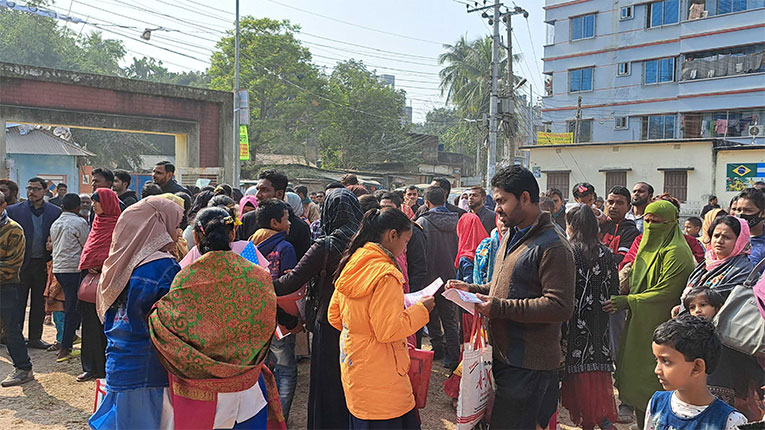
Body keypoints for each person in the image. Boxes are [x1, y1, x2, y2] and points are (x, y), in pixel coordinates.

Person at [447, 165, 576, 429]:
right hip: (506, 355)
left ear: (526, 198)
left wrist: (498, 307)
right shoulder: (513, 234)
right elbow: (508, 284)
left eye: (502, 201)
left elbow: (559, 306)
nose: (497, 208)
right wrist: (473, 289)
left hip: (529, 363)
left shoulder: (553, 245)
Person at [147, 207, 286, 429]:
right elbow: (267, 320)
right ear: (232, 234)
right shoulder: (258, 276)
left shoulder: (185, 277)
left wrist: (154, 313)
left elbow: (168, 323)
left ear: (196, 237)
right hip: (246, 384)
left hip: (200, 390)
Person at [329, 208, 434, 428]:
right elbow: (388, 330)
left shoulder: (354, 261)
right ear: (392, 235)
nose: (405, 249)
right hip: (383, 376)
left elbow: (334, 316)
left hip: (355, 364)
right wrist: (421, 310)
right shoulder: (386, 274)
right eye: (406, 242)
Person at [88, 196, 182, 429]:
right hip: (150, 367)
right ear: (157, 225)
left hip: (118, 362)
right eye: (175, 224)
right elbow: (177, 320)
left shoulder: (116, 263)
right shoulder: (163, 266)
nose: (178, 232)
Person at [272, 188, 363, 429]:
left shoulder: (327, 244)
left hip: (328, 321)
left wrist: (253, 282)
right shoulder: (368, 243)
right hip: (360, 323)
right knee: (354, 381)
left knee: (328, 382)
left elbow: (288, 284)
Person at [603, 200, 695, 426]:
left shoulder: (677, 252)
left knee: (657, 379)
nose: (651, 226)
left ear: (671, 224)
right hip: (639, 322)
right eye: (648, 221)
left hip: (662, 325)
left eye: (657, 222)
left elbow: (665, 293)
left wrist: (628, 301)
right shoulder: (645, 243)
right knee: (635, 376)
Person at [681, 215, 762, 419]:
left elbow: (717, 300)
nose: (719, 241)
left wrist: (688, 305)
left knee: (724, 405)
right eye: (716, 235)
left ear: (739, 241)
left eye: (727, 237)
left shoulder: (742, 269)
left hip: (727, 348)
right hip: (698, 344)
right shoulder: (704, 266)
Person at [561, 205, 619, 430]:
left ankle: (595, 420)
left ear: (572, 226)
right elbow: (614, 288)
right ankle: (597, 418)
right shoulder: (606, 253)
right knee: (596, 369)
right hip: (600, 322)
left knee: (578, 370)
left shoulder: (569, 251)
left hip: (574, 322)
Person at [645, 315, 747, 430]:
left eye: (666, 361)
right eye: (656, 360)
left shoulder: (730, 421)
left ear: (697, 367)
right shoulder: (657, 403)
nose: (657, 370)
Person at [251, 199, 298, 419]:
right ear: (275, 222)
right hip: (279, 319)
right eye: (286, 219)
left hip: (255, 317)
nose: (289, 224)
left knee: (263, 369)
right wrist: (292, 319)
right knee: (286, 371)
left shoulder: (250, 244)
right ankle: (280, 419)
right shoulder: (285, 247)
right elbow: (288, 289)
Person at [6, 177, 61, 350]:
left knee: (38, 302)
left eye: (36, 189)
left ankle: (35, 338)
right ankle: (15, 337)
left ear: (45, 191)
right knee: (18, 302)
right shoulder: (14, 210)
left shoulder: (55, 212)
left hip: (42, 264)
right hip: (20, 264)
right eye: (29, 188)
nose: (31, 192)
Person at [77, 188, 122, 382]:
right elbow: (89, 250)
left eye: (97, 202)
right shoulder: (95, 224)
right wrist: (90, 265)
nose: (94, 205)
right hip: (90, 280)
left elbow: (121, 254)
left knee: (107, 323)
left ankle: (106, 365)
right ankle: (90, 366)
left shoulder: (120, 226)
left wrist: (103, 266)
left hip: (110, 282)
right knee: (89, 324)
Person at [416, 186, 460, 370]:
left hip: (429, 279)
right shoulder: (457, 220)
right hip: (451, 277)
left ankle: (437, 349)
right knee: (449, 319)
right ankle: (453, 356)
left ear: (426, 203)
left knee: (429, 315)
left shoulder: (422, 222)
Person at [49, 194, 89, 362]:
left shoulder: (56, 222)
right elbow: (87, 244)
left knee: (70, 305)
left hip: (59, 268)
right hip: (73, 268)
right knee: (73, 307)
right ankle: (65, 348)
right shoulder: (79, 222)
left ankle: (70, 336)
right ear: (78, 207)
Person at [0, 190, 33, 387]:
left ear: (3, 206)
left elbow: (12, 266)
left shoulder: (14, 230)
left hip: (6, 287)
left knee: (11, 329)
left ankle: (23, 368)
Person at [240, 170, 311, 259]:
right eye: (257, 189)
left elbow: (303, 265)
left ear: (279, 194)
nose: (257, 195)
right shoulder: (248, 220)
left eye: (264, 190)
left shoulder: (300, 227)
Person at [601, 186, 641, 266]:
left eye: (619, 203)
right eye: (610, 202)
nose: (613, 207)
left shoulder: (631, 231)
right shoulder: (599, 225)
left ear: (628, 208)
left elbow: (620, 259)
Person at [730, 187, 765, 268]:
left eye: (748, 210)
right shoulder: (728, 238)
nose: (741, 214)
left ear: (763, 213)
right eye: (738, 210)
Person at [473, 215, 506, 285]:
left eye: (509, 218)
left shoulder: (523, 246)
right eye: (500, 219)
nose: (504, 223)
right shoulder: (485, 246)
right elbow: (477, 279)